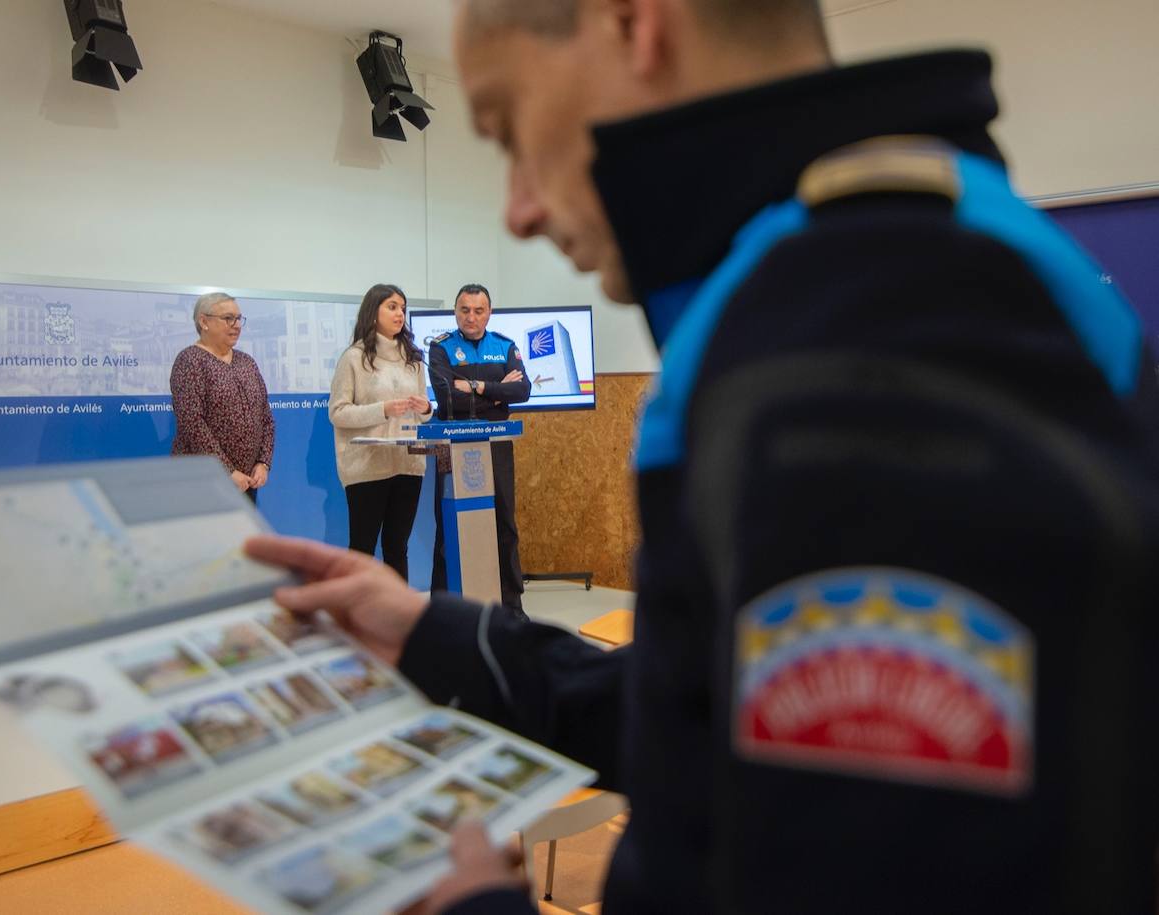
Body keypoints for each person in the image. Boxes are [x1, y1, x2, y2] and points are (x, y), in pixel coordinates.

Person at [247, 1, 1159, 913]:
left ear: (636, 25)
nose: (518, 210)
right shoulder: (856, 269)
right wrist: (439, 635)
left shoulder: (857, 321)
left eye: (511, 129)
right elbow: (721, 714)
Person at [427, 283, 532, 611]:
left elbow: (523, 391)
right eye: (464, 310)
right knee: (448, 527)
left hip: (496, 443)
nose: (471, 317)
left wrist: (476, 387)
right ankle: (443, 608)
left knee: (504, 523)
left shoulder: (504, 346)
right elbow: (448, 399)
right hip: (451, 445)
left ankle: (511, 607)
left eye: (478, 310)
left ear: (489, 313)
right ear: (455, 312)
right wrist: (498, 394)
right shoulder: (441, 348)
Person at [328, 283, 433, 580]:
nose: (400, 314)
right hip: (367, 467)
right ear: (373, 312)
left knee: (397, 547)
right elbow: (337, 412)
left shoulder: (414, 360)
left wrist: (426, 408)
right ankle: (356, 607)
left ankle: (397, 606)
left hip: (408, 464)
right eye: (392, 307)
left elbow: (423, 414)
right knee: (362, 549)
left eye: (403, 308)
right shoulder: (354, 357)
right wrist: (382, 409)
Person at [170, 292, 274, 501]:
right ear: (204, 322)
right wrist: (227, 471)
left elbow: (265, 417)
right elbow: (192, 423)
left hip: (247, 483)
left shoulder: (247, 362)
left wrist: (263, 463)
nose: (237, 325)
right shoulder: (190, 361)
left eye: (239, 318)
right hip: (203, 482)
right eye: (228, 318)